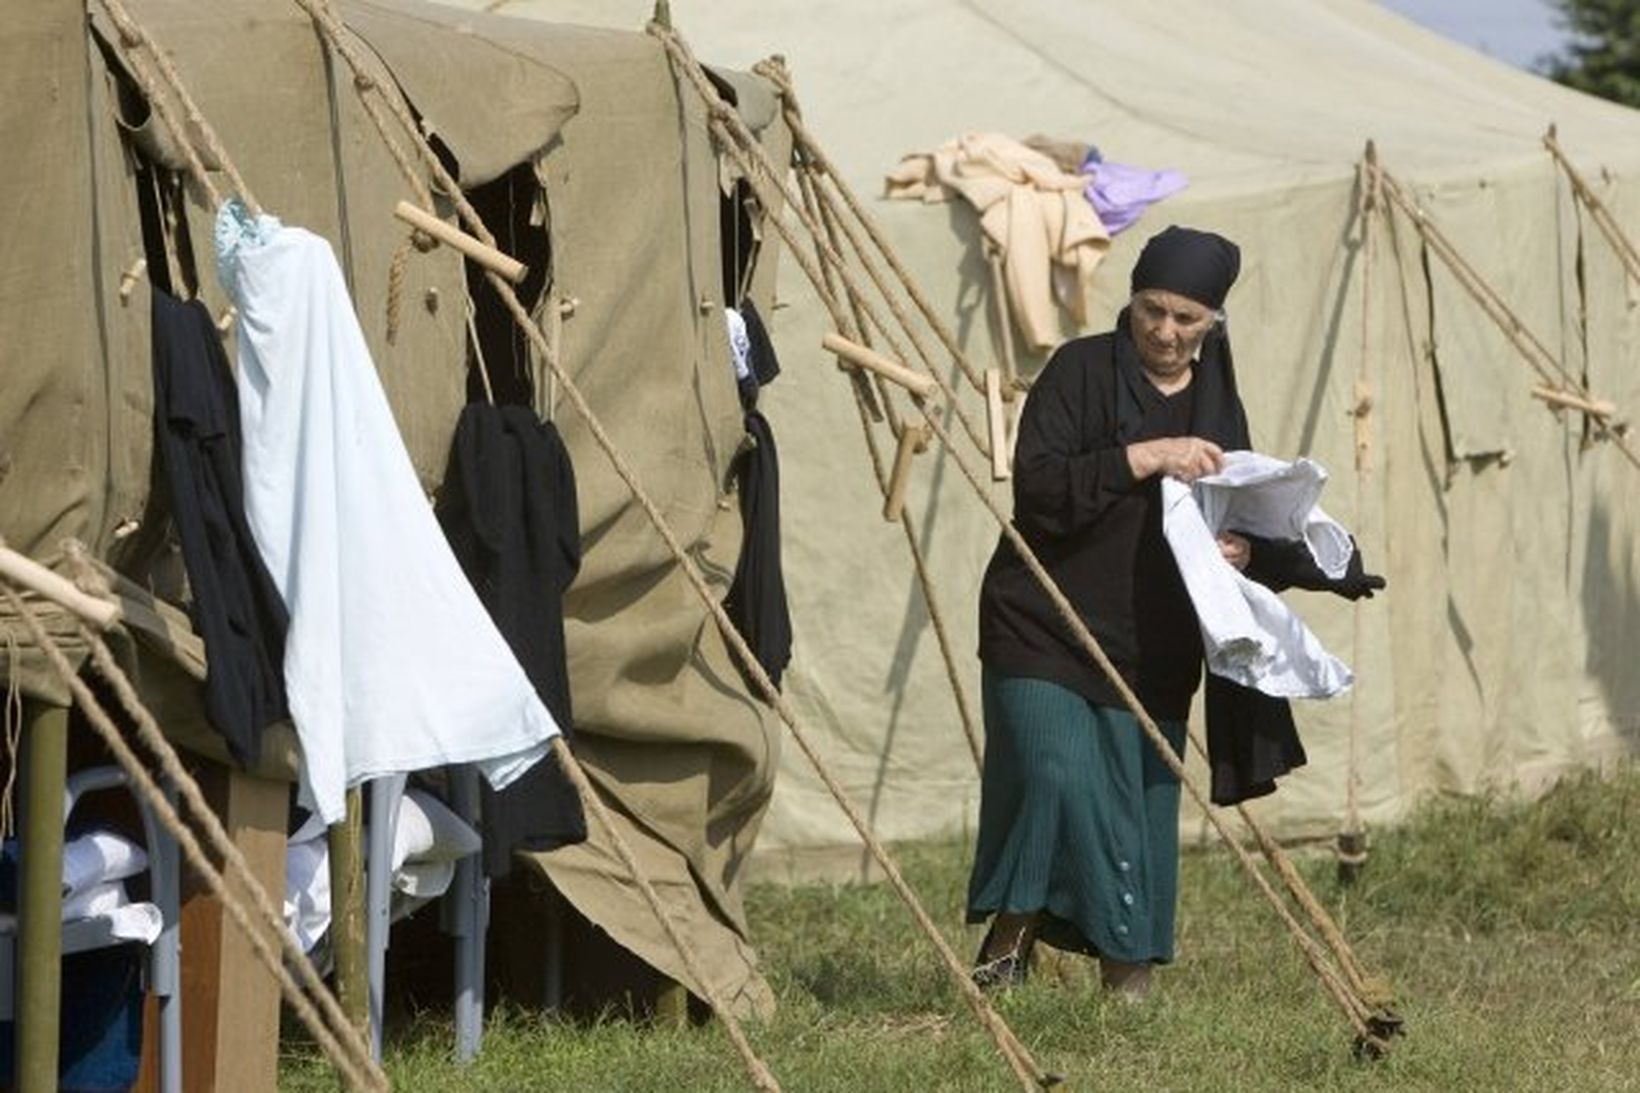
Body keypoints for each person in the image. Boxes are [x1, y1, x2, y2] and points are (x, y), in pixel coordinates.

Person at [966, 225, 1383, 997]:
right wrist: (1147, 456)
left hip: (1149, 641)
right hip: (1042, 620)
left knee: (1132, 801)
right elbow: (1041, 490)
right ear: (1132, 303)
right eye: (1151, 310)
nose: (1164, 330)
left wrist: (1244, 553)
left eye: (1185, 319)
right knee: (1051, 771)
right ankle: (1008, 941)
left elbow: (1245, 511)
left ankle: (1126, 978)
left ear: (1211, 325)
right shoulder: (1080, 370)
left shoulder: (1218, 404)